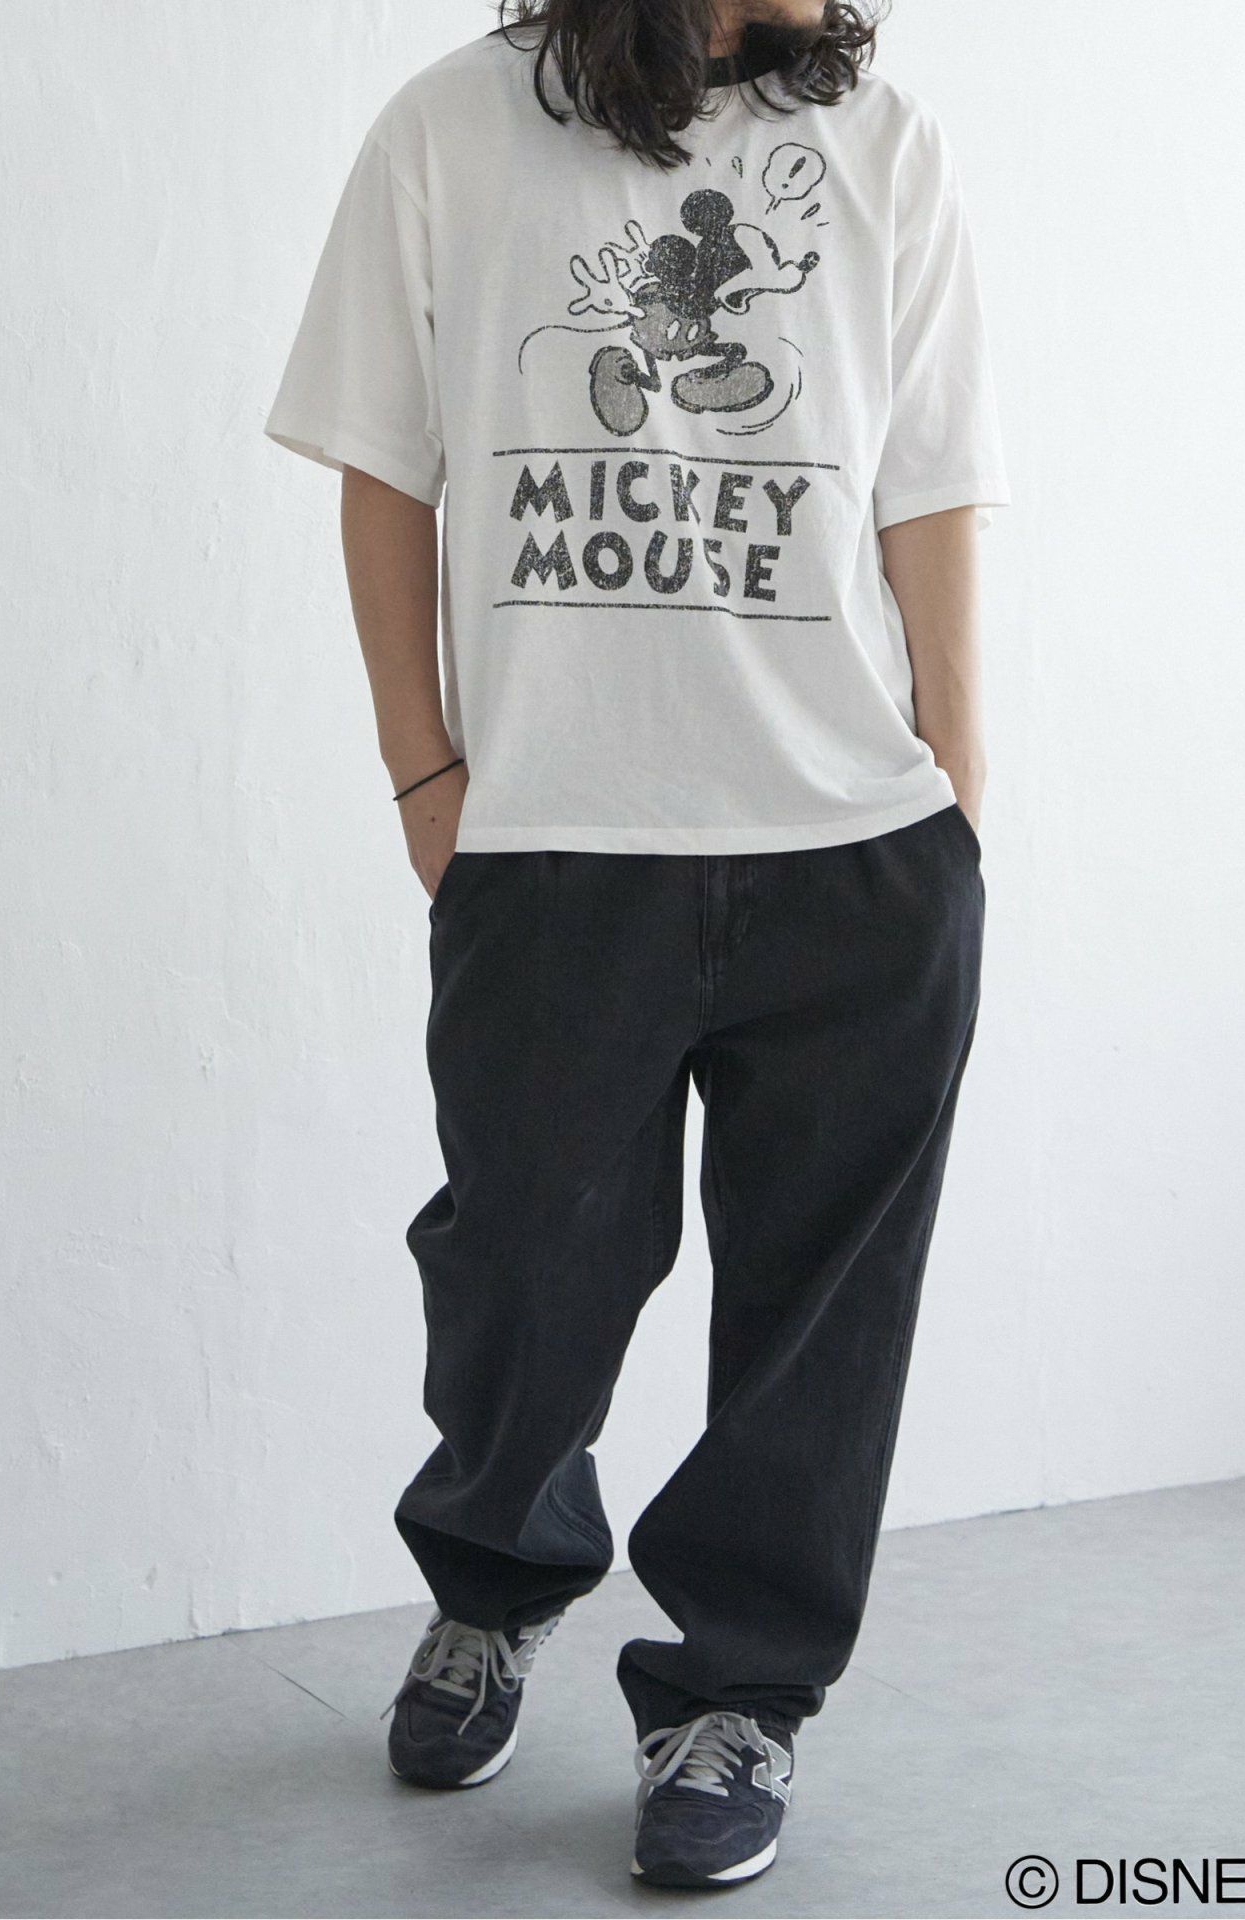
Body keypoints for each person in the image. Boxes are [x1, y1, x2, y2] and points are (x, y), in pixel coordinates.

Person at [266, 0, 1007, 1888]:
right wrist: (425, 771)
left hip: (851, 845)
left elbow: (929, 477)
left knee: (820, 1321)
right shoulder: (451, 129)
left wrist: (959, 781)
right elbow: (384, 465)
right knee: (524, 1265)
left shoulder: (888, 146)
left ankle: (737, 1693)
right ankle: (494, 1581)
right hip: (556, 845)